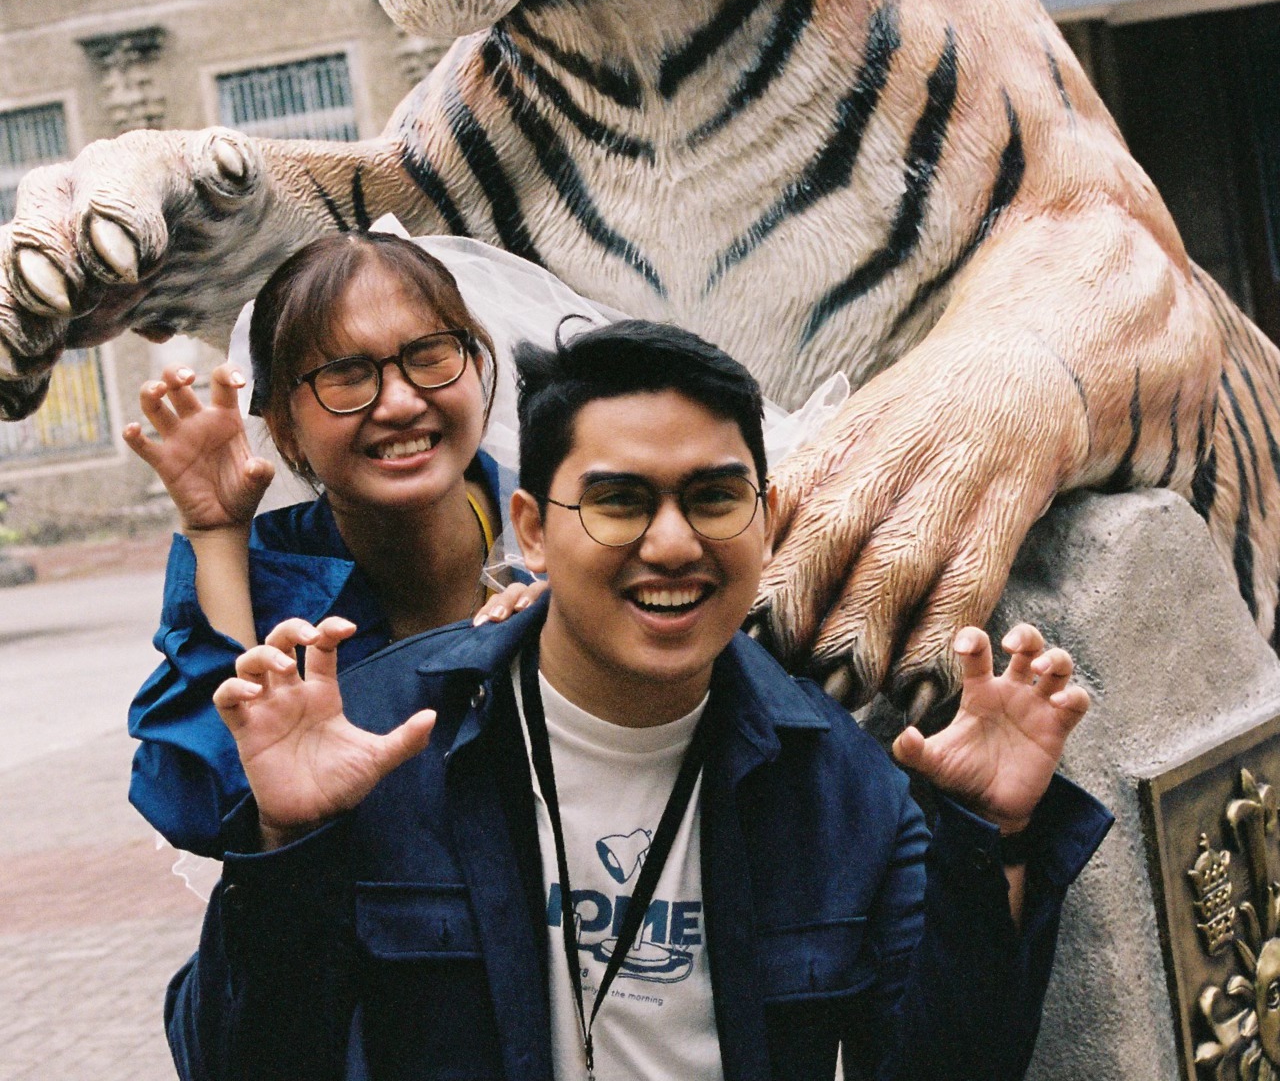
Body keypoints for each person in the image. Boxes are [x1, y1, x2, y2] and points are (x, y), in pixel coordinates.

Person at [166, 319, 1112, 1081]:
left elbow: (946, 1066)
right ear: (533, 529)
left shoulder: (844, 782)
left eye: (712, 497)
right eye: (619, 501)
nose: (671, 545)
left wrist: (994, 835)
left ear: (767, 519)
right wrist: (286, 845)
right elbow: (238, 1062)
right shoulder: (381, 740)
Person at [126, 231, 542, 857]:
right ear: (287, 432)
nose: (401, 403)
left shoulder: (568, 532)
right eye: (346, 375)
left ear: (480, 369)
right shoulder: (274, 574)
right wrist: (214, 533)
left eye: (430, 354)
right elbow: (209, 808)